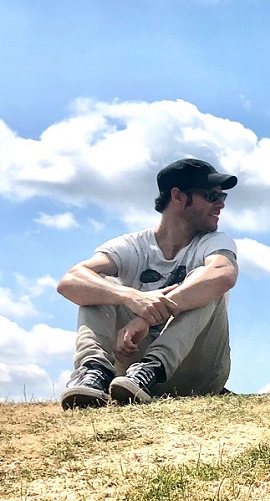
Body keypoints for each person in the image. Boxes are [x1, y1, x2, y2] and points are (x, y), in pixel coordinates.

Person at [57, 158, 239, 409]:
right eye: (210, 196)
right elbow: (70, 281)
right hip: (127, 379)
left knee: (205, 282)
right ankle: (94, 372)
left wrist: (145, 317)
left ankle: (152, 368)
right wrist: (130, 297)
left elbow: (223, 273)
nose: (220, 205)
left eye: (222, 198)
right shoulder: (133, 245)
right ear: (177, 196)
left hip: (198, 373)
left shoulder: (215, 242)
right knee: (95, 286)